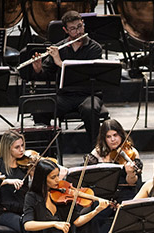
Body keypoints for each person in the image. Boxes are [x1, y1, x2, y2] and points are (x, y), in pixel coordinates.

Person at [32, 11, 103, 146]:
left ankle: (97, 150)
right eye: (73, 29)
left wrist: (60, 63)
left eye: (80, 26)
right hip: (65, 95)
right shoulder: (59, 48)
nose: (78, 31)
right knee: (41, 109)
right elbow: (46, 73)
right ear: (65, 30)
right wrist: (38, 69)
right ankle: (48, 153)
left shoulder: (94, 48)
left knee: (90, 109)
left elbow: (84, 73)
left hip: (89, 94)